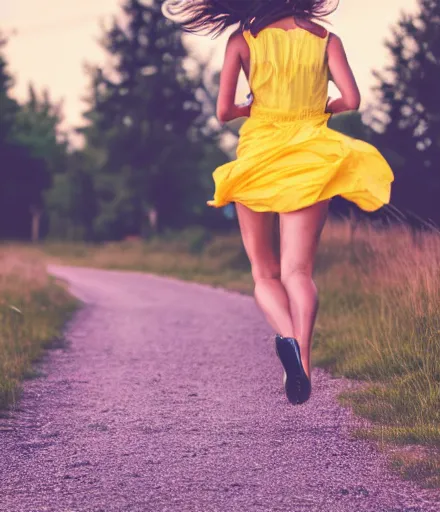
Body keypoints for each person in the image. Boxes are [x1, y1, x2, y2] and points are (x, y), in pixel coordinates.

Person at [162, 0, 394, 405]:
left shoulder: (242, 40)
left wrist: (251, 107)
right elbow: (352, 100)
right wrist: (320, 108)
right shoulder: (327, 39)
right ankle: (302, 361)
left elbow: (222, 112)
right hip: (310, 158)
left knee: (264, 274)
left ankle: (286, 335)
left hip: (259, 158)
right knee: (298, 272)